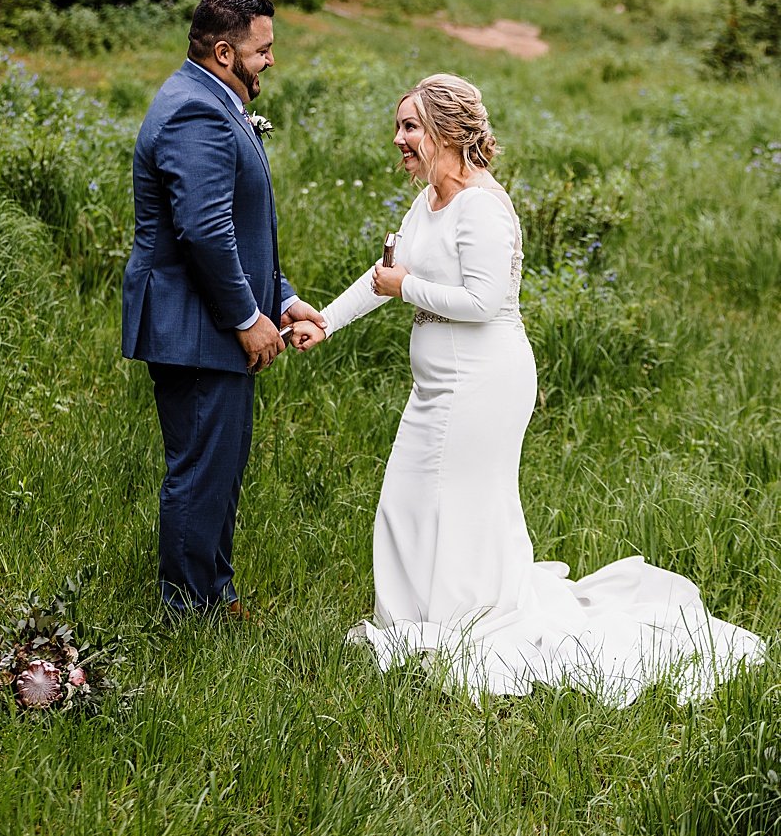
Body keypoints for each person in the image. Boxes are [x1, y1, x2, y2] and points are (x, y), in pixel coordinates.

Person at [291, 73, 765, 702]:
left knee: (456, 502)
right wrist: (325, 321)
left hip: (483, 381)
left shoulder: (482, 205)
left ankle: (463, 626)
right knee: (410, 498)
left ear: (446, 132)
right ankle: (421, 620)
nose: (398, 139)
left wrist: (405, 289)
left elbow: (483, 301)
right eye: (399, 126)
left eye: (410, 126)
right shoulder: (429, 199)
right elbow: (384, 272)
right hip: (440, 384)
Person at [122, 0, 324, 618]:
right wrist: (246, 316)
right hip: (196, 324)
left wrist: (280, 298)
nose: (269, 61)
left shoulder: (211, 98)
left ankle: (215, 591)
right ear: (223, 51)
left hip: (208, 318)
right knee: (200, 468)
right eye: (261, 50)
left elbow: (242, 224)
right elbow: (206, 230)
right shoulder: (194, 112)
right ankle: (185, 608)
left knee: (220, 465)